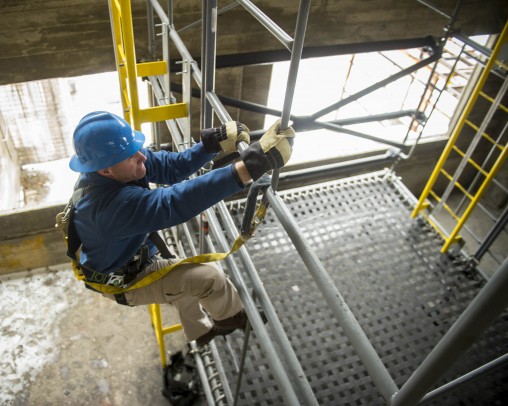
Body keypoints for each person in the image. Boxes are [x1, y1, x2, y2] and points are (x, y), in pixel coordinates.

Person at [67, 111, 294, 346]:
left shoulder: (113, 164)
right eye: (132, 156)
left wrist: (210, 145)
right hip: (124, 279)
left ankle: (199, 332)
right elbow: (173, 203)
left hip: (132, 252)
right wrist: (249, 168)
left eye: (137, 148)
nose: (142, 157)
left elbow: (169, 167)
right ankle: (229, 317)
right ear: (105, 170)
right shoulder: (108, 209)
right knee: (208, 278)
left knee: (182, 287)